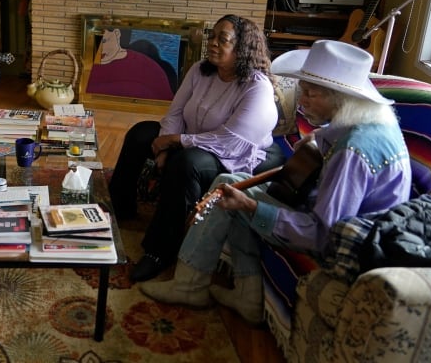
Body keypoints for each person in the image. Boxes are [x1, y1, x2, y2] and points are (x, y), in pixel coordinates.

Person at [140, 40, 411, 325]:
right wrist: (317, 139)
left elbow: (322, 234)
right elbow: (333, 145)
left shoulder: (353, 152)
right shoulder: (370, 122)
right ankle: (247, 296)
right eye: (302, 91)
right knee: (231, 182)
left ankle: (188, 286)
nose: (302, 101)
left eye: (311, 94)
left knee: (229, 194)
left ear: (342, 99)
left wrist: (253, 207)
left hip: (350, 245)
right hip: (338, 222)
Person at [109, 15, 285, 282]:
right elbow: (175, 112)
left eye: (222, 39)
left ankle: (160, 251)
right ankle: (118, 209)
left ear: (243, 47)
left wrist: (175, 142)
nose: (213, 43)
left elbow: (230, 141)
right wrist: (166, 144)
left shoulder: (256, 88)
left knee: (186, 163)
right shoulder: (200, 70)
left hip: (235, 155)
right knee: (139, 134)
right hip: (191, 139)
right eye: (211, 36)